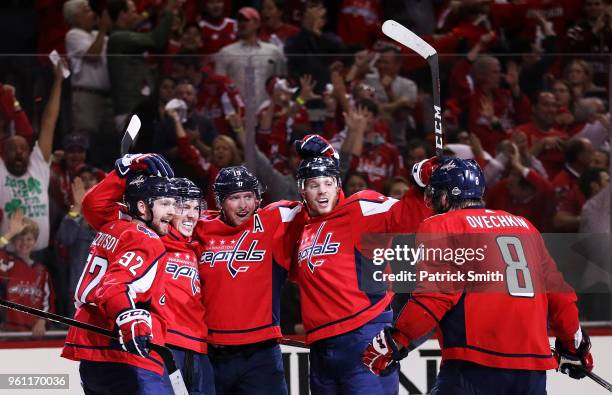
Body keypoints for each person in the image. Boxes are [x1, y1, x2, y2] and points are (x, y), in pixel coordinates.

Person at [362, 157, 594, 394]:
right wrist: (573, 346)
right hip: (532, 371)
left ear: (445, 196)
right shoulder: (524, 225)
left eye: (435, 195)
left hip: (475, 363)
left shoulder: (442, 225)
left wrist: (397, 338)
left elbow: (436, 296)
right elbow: (560, 296)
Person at [290, 134, 432, 394]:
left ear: (338, 185)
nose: (322, 190)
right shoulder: (301, 226)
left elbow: (407, 217)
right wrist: (329, 155)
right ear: (302, 190)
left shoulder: (360, 209)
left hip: (364, 336)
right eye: (313, 184)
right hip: (320, 347)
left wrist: (424, 183)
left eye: (328, 183)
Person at [75, 167, 215, 395]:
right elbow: (94, 206)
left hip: (197, 348)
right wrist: (123, 170)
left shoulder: (201, 241)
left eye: (196, 208)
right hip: (157, 345)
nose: (190, 214)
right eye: (180, 206)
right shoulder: (146, 234)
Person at [61, 154, 177, 394]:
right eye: (165, 203)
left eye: (174, 203)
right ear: (143, 207)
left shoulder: (113, 225)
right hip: (123, 352)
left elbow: (92, 204)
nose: (172, 211)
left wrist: (121, 172)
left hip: (93, 349)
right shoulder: (145, 238)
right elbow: (115, 286)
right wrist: (129, 319)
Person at [193, 165, 304, 395]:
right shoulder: (198, 228)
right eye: (234, 198)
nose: (243, 205)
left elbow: (318, 206)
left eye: (248, 197)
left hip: (261, 356)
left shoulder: (275, 220)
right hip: (212, 354)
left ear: (257, 199)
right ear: (220, 201)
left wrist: (324, 160)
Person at [0, 211, 54, 336]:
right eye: (20, 239)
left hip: (34, 332)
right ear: (13, 242)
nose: (24, 243)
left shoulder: (42, 271)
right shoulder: (6, 264)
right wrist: (11, 233)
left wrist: (42, 321)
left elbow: (48, 301)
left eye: (29, 239)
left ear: (35, 242)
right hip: (8, 331)